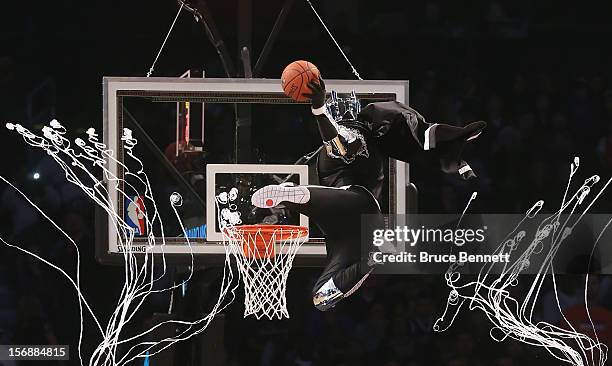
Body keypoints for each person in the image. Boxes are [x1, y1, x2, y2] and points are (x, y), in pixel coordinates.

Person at [252, 78, 486, 311]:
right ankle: (371, 255)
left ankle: (292, 195)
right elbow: (339, 144)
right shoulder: (356, 142)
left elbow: (340, 143)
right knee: (323, 297)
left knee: (321, 296)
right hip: (356, 223)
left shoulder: (356, 133)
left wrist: (319, 110)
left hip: (351, 210)